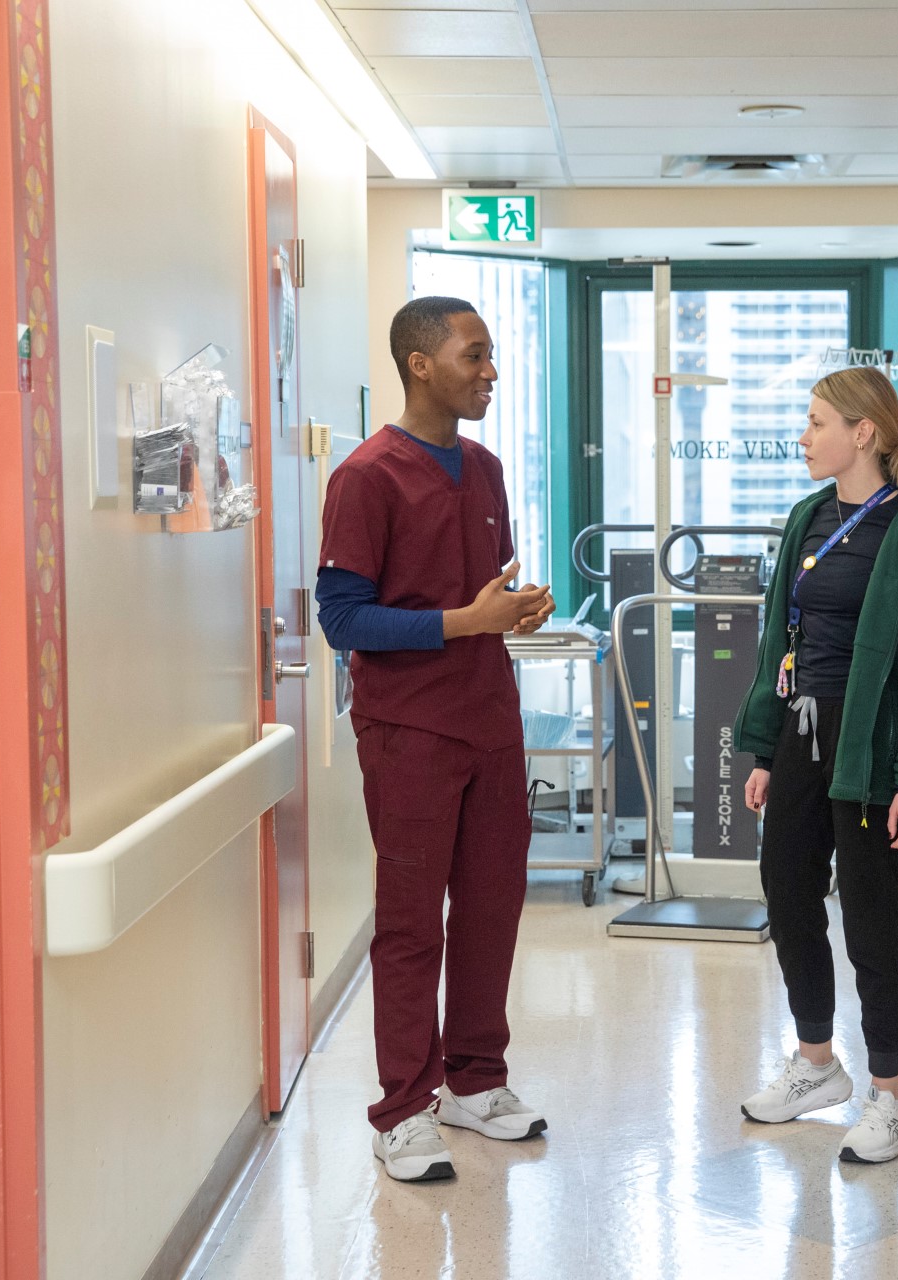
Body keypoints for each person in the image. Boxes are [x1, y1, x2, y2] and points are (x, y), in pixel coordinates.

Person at [316, 296, 557, 1184]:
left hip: (489, 719)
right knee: (414, 924)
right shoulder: (368, 476)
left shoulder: (484, 468)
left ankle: (475, 1082)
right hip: (410, 728)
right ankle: (402, 1109)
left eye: (491, 356)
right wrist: (464, 621)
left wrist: (510, 614)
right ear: (421, 364)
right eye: (475, 355)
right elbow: (341, 618)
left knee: (493, 907)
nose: (490, 370)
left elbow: (474, 596)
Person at [732, 365, 898, 1164]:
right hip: (802, 735)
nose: (804, 437)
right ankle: (817, 1064)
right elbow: (778, 644)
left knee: (868, 919)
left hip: (873, 745)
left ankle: (890, 1099)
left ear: (863, 432)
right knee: (788, 896)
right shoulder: (806, 519)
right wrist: (766, 748)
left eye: (817, 421)